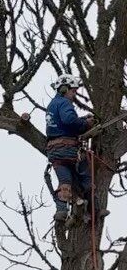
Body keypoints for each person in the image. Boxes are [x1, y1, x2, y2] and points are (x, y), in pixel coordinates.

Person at [45, 73, 94, 222]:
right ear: (64, 89)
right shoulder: (65, 103)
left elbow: (62, 123)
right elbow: (69, 120)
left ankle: (61, 210)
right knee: (86, 175)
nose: (74, 95)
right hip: (68, 149)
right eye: (73, 91)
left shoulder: (52, 105)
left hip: (54, 152)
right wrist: (86, 124)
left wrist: (81, 119)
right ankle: (93, 209)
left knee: (65, 181)